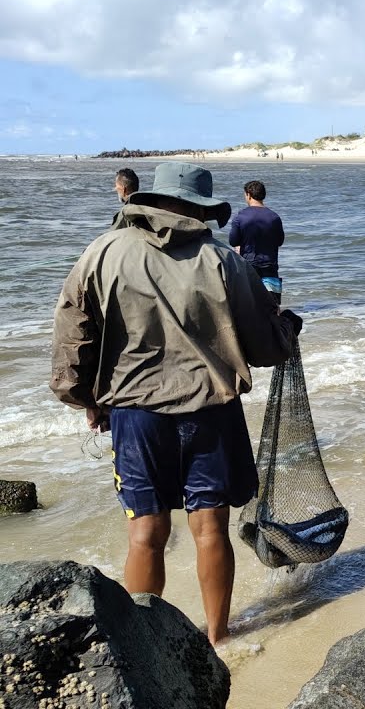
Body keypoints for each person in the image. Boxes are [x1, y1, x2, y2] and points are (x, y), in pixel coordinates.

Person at [50, 162, 299, 646]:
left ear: (150, 200)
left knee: (145, 533)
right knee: (210, 529)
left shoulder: (102, 252)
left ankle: (144, 643)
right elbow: (266, 347)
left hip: (135, 415)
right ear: (199, 209)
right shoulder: (223, 260)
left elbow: (71, 336)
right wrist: (286, 328)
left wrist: (86, 400)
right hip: (211, 410)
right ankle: (219, 635)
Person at [228, 180, 285, 298]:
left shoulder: (240, 217)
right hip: (270, 264)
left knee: (250, 302)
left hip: (248, 264)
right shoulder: (274, 217)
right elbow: (280, 241)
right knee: (272, 304)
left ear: (248, 194)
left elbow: (233, 241)